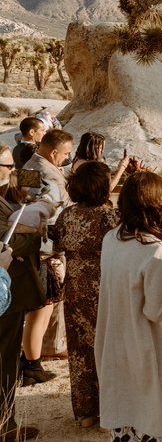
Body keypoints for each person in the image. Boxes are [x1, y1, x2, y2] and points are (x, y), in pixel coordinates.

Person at [95, 171, 162, 440]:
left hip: (118, 343)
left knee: (129, 420)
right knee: (161, 419)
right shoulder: (155, 250)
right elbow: (156, 310)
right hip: (152, 347)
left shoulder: (111, 239)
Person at [52, 161, 120, 428]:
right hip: (106, 286)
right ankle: (113, 407)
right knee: (110, 348)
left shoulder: (67, 215)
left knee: (80, 352)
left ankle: (86, 413)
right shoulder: (110, 217)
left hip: (76, 286)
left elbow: (57, 245)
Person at [20, 129, 73, 380]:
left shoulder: (31, 165)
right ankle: (31, 366)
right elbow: (49, 213)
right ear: (54, 152)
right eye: (65, 154)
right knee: (40, 308)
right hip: (44, 249)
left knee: (42, 308)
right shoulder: (46, 175)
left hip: (33, 246)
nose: (66, 158)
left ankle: (33, 359)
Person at [0, 146, 43, 441]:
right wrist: (35, 235)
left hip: (11, 289)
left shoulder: (8, 191)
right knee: (4, 358)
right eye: (7, 164)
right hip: (5, 293)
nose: (12, 169)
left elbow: (31, 190)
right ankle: (5, 425)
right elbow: (9, 241)